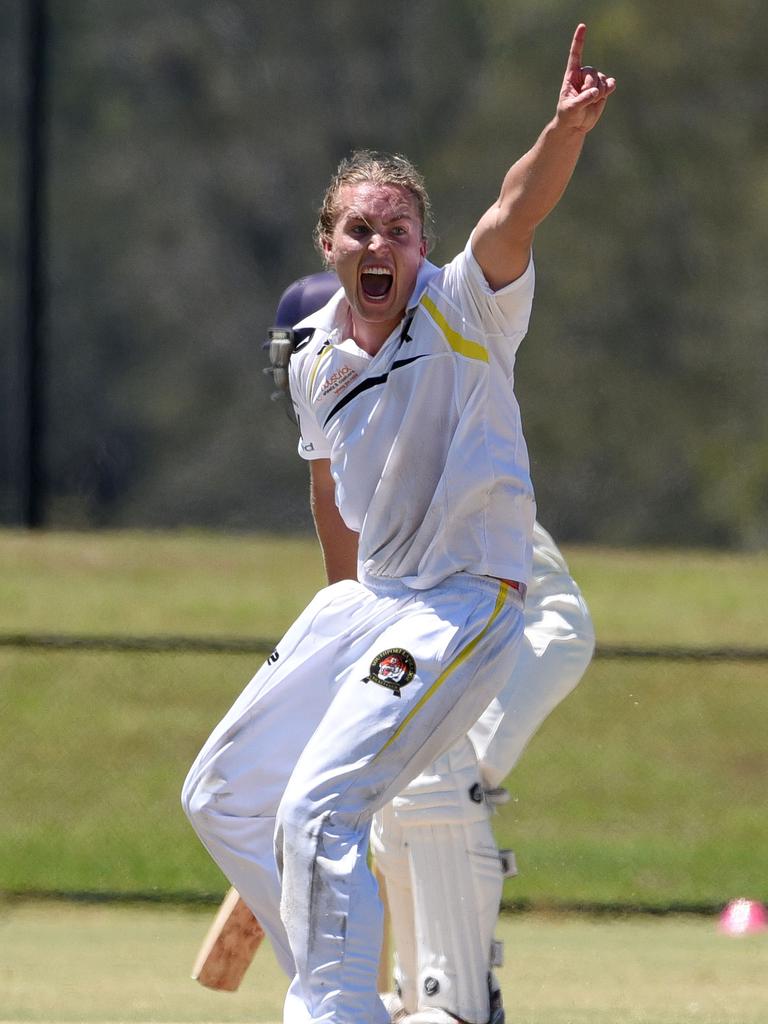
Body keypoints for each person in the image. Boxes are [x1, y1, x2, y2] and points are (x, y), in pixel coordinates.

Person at [182, 24, 614, 1024]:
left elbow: (516, 209)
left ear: (424, 246)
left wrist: (564, 133)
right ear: (327, 245)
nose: (380, 247)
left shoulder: (467, 307)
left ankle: (342, 1010)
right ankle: (351, 983)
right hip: (371, 601)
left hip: (465, 599)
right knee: (223, 796)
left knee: (321, 806)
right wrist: (334, 621)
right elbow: (331, 493)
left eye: (399, 231)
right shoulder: (312, 358)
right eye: (359, 231)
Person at [265, 272, 595, 1024]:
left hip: (529, 623)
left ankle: (461, 1004)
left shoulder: (402, 398)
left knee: (426, 778)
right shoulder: (348, 420)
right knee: (383, 787)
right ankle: (420, 995)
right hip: (453, 627)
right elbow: (358, 599)